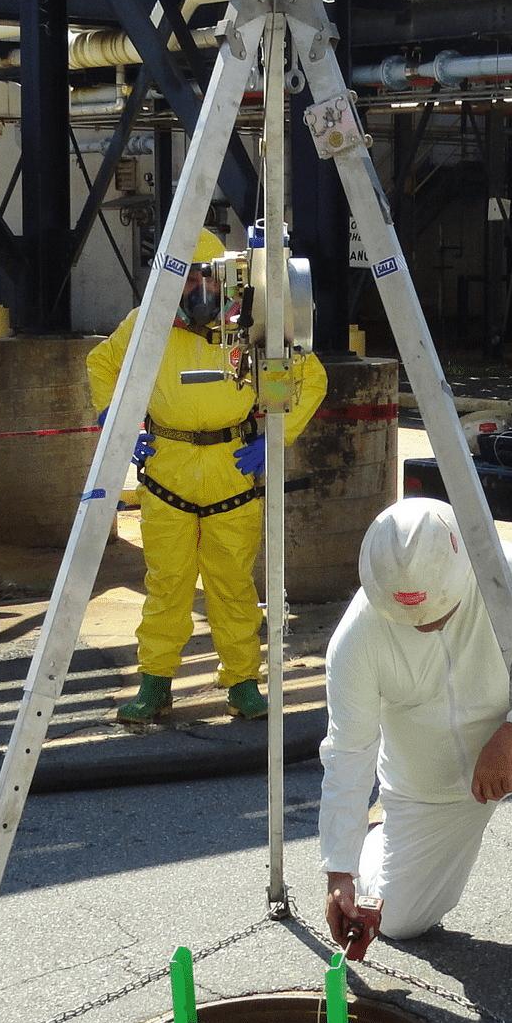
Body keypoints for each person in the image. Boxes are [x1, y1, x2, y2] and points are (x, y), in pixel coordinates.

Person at [319, 497, 512, 1001]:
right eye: (408, 618)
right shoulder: (356, 638)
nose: (424, 626)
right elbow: (348, 754)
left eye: (438, 613)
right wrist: (340, 871)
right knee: (400, 921)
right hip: (428, 780)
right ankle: (375, 844)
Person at [86, 233, 328, 724]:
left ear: (227, 277)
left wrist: (275, 439)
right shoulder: (147, 326)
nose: (197, 286)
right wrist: (117, 423)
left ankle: (241, 682)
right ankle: (155, 684)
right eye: (187, 276)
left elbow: (309, 378)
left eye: (205, 275)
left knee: (232, 584)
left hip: (231, 472)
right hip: (167, 472)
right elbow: (102, 364)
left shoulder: (254, 326)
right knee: (167, 585)